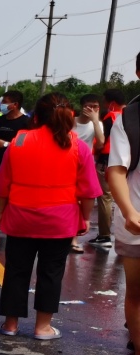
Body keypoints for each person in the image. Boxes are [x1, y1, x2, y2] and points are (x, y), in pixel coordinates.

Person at [0, 93, 101, 340]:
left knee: (16, 271)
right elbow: (88, 192)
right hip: (59, 222)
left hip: (20, 218)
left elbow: (1, 188)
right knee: (51, 273)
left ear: (36, 116)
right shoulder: (77, 146)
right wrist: (84, 220)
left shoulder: (18, 142)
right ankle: (42, 328)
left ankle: (10, 325)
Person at [105, 53, 140, 355]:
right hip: (137, 222)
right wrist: (129, 213)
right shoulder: (128, 118)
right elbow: (115, 169)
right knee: (138, 292)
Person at [0, 89, 30, 239]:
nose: (2, 104)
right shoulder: (0, 120)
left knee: (7, 199)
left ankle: (5, 225)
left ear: (15, 104)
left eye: (5, 102)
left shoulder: (26, 122)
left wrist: (6, 145)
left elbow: (27, 145)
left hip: (13, 165)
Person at [90, 88, 126, 249]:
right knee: (124, 199)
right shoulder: (131, 116)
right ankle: (125, 234)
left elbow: (101, 142)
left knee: (105, 198)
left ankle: (104, 236)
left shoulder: (110, 118)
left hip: (108, 162)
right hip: (127, 163)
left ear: (111, 103)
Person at [71, 93, 106, 252]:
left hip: (86, 164)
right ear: (82, 106)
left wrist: (95, 121)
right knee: (71, 200)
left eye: (95, 107)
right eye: (89, 106)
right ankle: (70, 237)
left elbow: (100, 143)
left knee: (83, 200)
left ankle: (74, 238)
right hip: (69, 163)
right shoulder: (72, 122)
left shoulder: (97, 124)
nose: (92, 109)